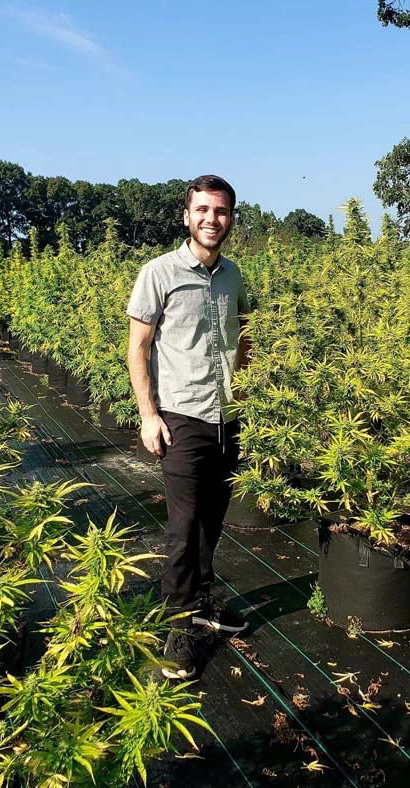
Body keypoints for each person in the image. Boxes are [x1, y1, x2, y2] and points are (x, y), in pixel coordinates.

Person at [126, 175, 251, 680]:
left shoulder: (234, 276)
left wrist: (248, 393)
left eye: (220, 212)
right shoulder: (158, 274)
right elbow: (137, 349)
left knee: (213, 521)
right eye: (202, 210)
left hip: (227, 416)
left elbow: (244, 338)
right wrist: (148, 415)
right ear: (186, 216)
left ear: (231, 219)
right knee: (183, 528)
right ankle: (178, 629)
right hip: (180, 416)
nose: (210, 219)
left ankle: (202, 604)